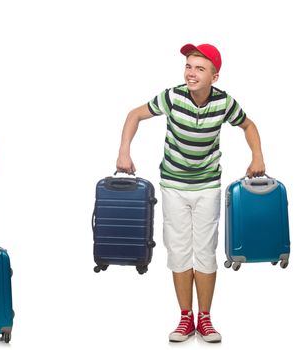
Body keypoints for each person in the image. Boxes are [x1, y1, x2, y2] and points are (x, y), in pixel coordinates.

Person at [116, 43, 265, 343]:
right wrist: (123, 151)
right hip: (173, 185)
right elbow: (134, 115)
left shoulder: (224, 103)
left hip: (208, 185)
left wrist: (257, 156)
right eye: (188, 66)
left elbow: (248, 125)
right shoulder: (172, 97)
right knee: (179, 251)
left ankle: (205, 319)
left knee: (205, 252)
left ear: (215, 76)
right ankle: (185, 318)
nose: (191, 73)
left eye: (200, 68)